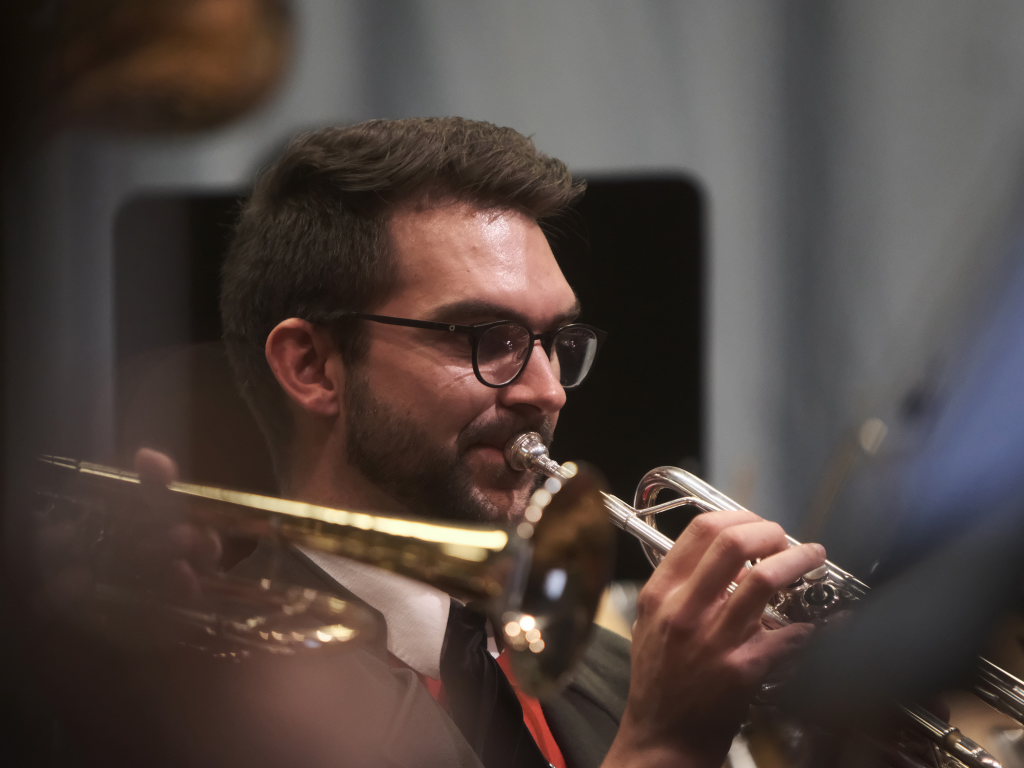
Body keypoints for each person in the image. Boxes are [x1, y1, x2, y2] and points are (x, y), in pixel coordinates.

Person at [173, 117, 825, 767]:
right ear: (312, 367)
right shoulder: (201, 695)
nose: (549, 391)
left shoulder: (623, 676)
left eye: (555, 342)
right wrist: (660, 749)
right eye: (487, 338)